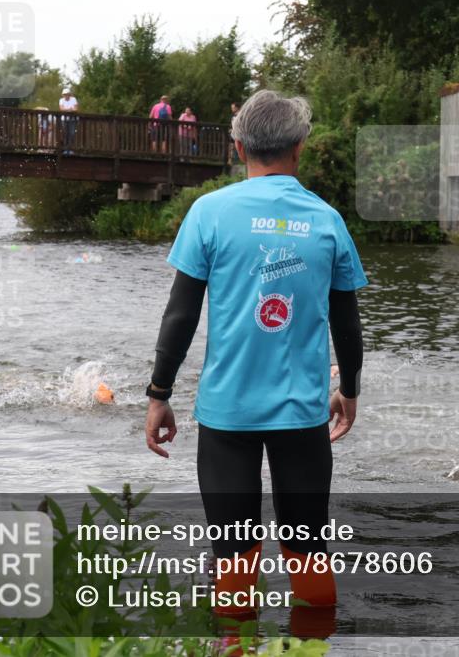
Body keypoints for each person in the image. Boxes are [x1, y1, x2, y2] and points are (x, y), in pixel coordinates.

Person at [144, 90, 367, 635]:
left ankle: (236, 646)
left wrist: (159, 394)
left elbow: (181, 315)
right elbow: (347, 323)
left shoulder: (208, 213)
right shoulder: (327, 220)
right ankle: (313, 645)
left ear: (239, 146)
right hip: (302, 418)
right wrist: (350, 391)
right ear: (299, 148)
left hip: (226, 418)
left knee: (234, 552)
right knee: (309, 548)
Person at [58, 87, 79, 153]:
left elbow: (76, 109)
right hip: (64, 119)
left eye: (67, 94)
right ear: (63, 95)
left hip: (72, 120)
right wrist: (70, 109)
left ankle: (70, 148)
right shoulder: (61, 100)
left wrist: (67, 110)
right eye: (65, 94)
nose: (66, 95)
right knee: (65, 133)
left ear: (69, 94)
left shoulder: (73, 99)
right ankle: (65, 149)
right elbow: (61, 109)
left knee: (72, 133)